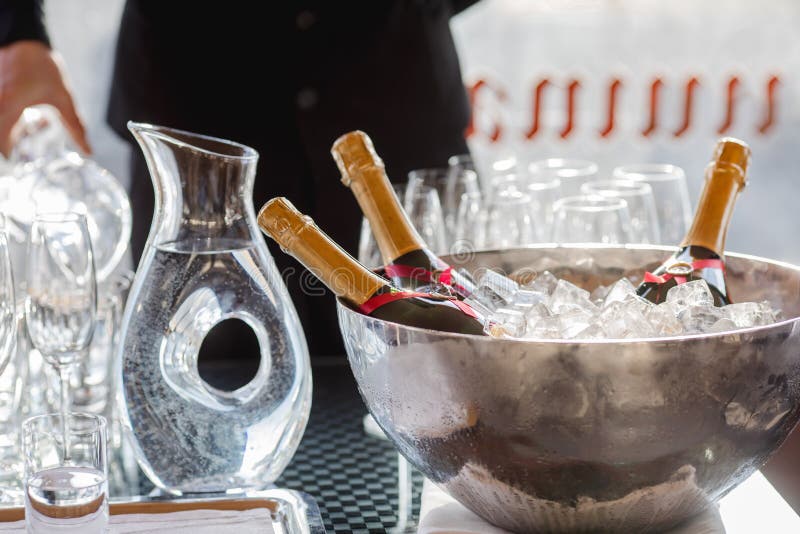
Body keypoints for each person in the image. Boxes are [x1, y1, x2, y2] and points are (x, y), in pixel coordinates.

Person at [0, 0, 477, 358]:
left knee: (452, 378)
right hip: (199, 127)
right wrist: (17, 29)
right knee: (198, 400)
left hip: (394, 99)